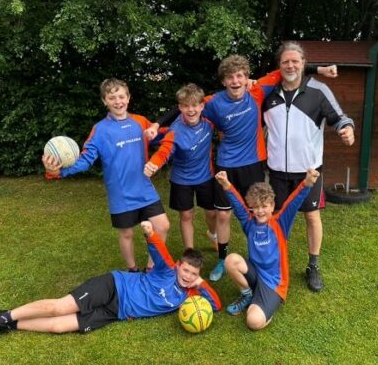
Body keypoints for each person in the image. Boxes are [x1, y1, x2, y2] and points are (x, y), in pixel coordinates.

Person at [147, 56, 335, 282]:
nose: (235, 81)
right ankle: (222, 259)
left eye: (239, 76)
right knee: (223, 214)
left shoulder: (257, 91)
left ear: (247, 78)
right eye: (230, 77)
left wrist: (321, 69)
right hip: (226, 165)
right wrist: (157, 124)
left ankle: (258, 258)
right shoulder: (213, 102)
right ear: (223, 81)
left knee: (258, 213)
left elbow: (287, 69)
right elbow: (186, 107)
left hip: (254, 164)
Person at [0, 221, 221, 350]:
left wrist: (201, 283)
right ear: (178, 266)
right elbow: (159, 250)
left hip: (116, 312)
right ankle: (4, 316)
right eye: (186, 270)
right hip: (114, 286)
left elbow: (216, 305)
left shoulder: (190, 296)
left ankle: (6, 324)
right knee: (59, 308)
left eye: (193, 274)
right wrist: (149, 233)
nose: (188, 276)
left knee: (59, 327)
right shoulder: (167, 270)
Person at [42, 78, 170, 272]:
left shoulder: (140, 122)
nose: (118, 101)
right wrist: (59, 171)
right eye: (112, 98)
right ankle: (132, 270)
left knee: (162, 226)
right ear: (104, 101)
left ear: (128, 98)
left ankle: (151, 268)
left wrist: (160, 131)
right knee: (126, 234)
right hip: (121, 193)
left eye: (121, 96)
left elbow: (164, 136)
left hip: (144, 188)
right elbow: (86, 159)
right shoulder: (100, 129)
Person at [263, 41, 355, 292]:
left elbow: (340, 117)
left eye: (295, 61)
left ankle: (313, 265)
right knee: (277, 217)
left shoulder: (318, 90)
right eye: (285, 61)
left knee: (312, 216)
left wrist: (347, 129)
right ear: (279, 65)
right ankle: (276, 262)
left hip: (309, 172)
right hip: (277, 171)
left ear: (304, 63)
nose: (290, 66)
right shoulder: (268, 93)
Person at [214, 168, 319, 330]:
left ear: (272, 206)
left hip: (273, 282)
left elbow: (293, 202)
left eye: (264, 206)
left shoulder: (280, 223)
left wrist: (307, 183)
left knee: (253, 322)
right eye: (256, 207)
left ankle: (267, 305)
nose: (260, 211)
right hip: (255, 274)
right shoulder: (249, 223)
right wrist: (226, 184)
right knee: (230, 260)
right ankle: (247, 295)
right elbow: (238, 204)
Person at [143, 83, 217, 251]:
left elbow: (225, 97)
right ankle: (189, 252)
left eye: (194, 105)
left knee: (212, 213)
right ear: (180, 108)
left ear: (202, 106)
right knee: (186, 215)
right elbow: (165, 151)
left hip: (206, 176)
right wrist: (153, 164)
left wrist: (249, 84)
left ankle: (213, 234)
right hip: (181, 179)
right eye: (185, 106)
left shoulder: (209, 121)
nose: (191, 110)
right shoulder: (175, 130)